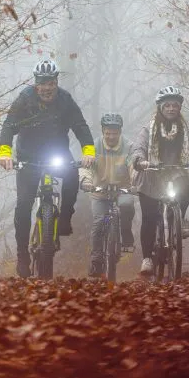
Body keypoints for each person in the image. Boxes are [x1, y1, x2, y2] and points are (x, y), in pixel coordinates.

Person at [0, 58, 96, 278]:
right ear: (36, 84)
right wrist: (4, 153)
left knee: (72, 176)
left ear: (56, 82)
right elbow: (8, 126)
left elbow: (81, 126)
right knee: (23, 205)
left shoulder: (65, 100)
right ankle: (22, 255)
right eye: (42, 83)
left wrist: (88, 152)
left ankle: (65, 217)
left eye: (51, 83)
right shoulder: (24, 99)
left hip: (57, 153)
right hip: (28, 157)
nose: (47, 88)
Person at [130, 85, 189, 277]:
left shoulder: (184, 130)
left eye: (175, 105)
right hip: (151, 175)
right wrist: (140, 160)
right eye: (167, 106)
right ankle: (147, 258)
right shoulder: (149, 129)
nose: (171, 108)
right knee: (149, 217)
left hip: (175, 172)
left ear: (179, 108)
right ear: (161, 108)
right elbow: (138, 148)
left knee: (185, 188)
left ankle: (179, 220)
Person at [81, 112, 136, 277]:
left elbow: (134, 166)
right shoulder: (93, 146)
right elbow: (86, 166)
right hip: (100, 191)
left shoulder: (129, 146)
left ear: (120, 132)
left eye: (114, 133)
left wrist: (135, 182)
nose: (111, 136)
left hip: (122, 190)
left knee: (127, 206)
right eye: (108, 133)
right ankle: (96, 258)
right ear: (103, 131)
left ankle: (126, 234)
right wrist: (86, 181)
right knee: (99, 222)